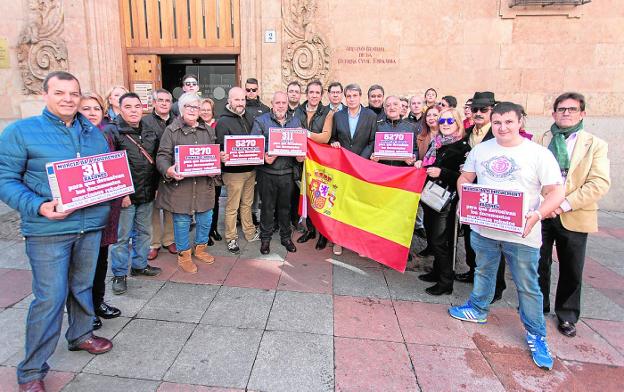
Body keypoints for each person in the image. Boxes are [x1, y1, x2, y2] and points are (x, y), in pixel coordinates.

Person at [0, 71, 113, 391]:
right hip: (48, 228)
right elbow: (4, 179)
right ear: (45, 94)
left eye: (73, 94)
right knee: (49, 298)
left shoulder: (93, 132)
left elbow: (104, 172)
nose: (68, 99)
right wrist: (37, 205)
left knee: (82, 286)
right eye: (60, 93)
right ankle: (32, 371)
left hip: (89, 225)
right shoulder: (22, 132)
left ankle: (80, 335)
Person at [449, 101, 565, 371]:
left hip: (521, 235)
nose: (502, 127)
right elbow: (466, 178)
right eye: (498, 122)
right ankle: (478, 309)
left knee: (528, 286)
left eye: (509, 122)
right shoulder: (481, 149)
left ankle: (536, 334)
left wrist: (537, 215)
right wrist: (464, 198)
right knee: (484, 272)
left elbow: (556, 192)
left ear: (520, 122)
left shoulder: (538, 154)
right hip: (484, 229)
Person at [535, 92, 611, 338]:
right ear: (554, 113)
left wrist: (564, 204)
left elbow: (598, 183)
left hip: (574, 212)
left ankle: (567, 315)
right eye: (561, 109)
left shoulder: (595, 144)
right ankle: (538, 306)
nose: (566, 113)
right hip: (542, 212)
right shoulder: (542, 139)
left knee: (571, 267)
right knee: (538, 262)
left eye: (572, 109)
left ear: (582, 113)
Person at [155, 93, 218, 273]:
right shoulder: (171, 130)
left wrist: (218, 160)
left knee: (205, 219)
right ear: (181, 109)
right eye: (188, 107)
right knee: (182, 221)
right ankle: (184, 256)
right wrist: (168, 170)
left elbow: (212, 153)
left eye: (196, 107)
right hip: (180, 185)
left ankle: (200, 248)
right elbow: (162, 156)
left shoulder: (208, 130)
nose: (192, 110)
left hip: (203, 184)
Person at [106, 93, 161, 295]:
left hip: (146, 191)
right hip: (126, 195)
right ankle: (119, 275)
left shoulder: (149, 130)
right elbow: (111, 166)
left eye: (137, 106)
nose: (133, 110)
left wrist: (155, 186)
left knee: (144, 232)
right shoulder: (113, 131)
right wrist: (121, 193)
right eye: (128, 107)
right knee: (122, 238)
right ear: (120, 109)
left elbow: (153, 161)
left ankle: (140, 265)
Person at [455, 92, 507, 304]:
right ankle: (472, 270)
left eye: (483, 110)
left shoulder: (498, 136)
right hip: (470, 193)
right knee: (470, 238)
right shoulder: (467, 133)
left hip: (492, 195)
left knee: (494, 243)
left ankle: (496, 286)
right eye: (475, 109)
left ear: (492, 111)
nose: (478, 113)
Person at [78, 92, 122, 330]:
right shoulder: (72, 137)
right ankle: (85, 313)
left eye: (96, 108)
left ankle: (98, 302)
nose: (92, 113)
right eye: (86, 108)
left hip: (105, 208)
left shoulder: (106, 136)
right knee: (83, 266)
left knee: (101, 259)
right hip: (81, 212)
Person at [415, 108, 470, 295]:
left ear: (457, 124)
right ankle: (437, 272)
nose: (445, 124)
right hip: (431, 197)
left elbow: (466, 177)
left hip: (447, 200)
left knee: (441, 242)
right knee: (432, 238)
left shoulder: (463, 147)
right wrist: (421, 164)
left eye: (450, 121)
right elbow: (431, 165)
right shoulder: (437, 143)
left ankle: (445, 282)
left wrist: (442, 173)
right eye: (443, 121)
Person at [252, 91, 305, 254]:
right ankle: (265, 239)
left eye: (284, 103)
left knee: (285, 208)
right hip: (267, 172)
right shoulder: (261, 121)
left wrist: (300, 155)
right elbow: (255, 145)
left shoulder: (296, 121)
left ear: (287, 104)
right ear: (272, 104)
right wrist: (264, 156)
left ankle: (286, 238)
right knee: (267, 208)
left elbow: (301, 143)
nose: (281, 106)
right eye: (278, 103)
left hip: (287, 173)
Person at [329, 83, 378, 255]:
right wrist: (333, 142)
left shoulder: (370, 116)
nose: (351, 99)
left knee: (359, 204)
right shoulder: (338, 116)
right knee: (341, 204)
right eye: (348, 96)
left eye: (354, 96)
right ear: (345, 97)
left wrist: (360, 159)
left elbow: (373, 141)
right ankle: (338, 241)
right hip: (343, 167)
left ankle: (359, 242)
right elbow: (334, 137)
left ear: (360, 97)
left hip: (362, 166)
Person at [216, 87, 261, 254]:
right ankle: (231, 237)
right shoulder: (222, 122)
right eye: (237, 100)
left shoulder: (250, 117)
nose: (240, 103)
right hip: (233, 173)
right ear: (229, 101)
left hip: (251, 170)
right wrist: (222, 155)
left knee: (247, 203)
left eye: (242, 100)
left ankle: (249, 232)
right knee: (232, 206)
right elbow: (220, 147)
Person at [294, 80, 333, 249]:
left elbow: (325, 137)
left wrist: (306, 133)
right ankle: (310, 230)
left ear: (321, 95)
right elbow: (294, 134)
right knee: (307, 197)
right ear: (307, 94)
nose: (314, 95)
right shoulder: (297, 112)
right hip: (302, 160)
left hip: (320, 163)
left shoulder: (328, 113)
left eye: (317, 93)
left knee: (321, 197)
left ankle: (323, 235)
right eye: (311, 92)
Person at [142, 88, 176, 261]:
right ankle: (154, 243)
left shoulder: (177, 121)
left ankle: (169, 239)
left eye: (167, 101)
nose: (164, 103)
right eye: (160, 100)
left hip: (172, 171)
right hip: (152, 172)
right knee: (154, 210)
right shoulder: (145, 121)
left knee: (170, 208)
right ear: (153, 102)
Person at [199, 97, 223, 246]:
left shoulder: (218, 124)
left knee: (216, 201)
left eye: (208, 109)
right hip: (201, 172)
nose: (206, 112)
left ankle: (213, 229)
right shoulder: (196, 126)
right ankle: (205, 233)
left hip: (216, 170)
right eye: (203, 110)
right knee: (204, 203)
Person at [371, 96, 417, 167]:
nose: (392, 107)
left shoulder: (411, 127)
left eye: (395, 104)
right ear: (385, 109)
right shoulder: (377, 126)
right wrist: (372, 157)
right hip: (381, 170)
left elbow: (416, 150)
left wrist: (413, 158)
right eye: (388, 105)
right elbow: (370, 147)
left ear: (400, 108)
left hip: (402, 171)